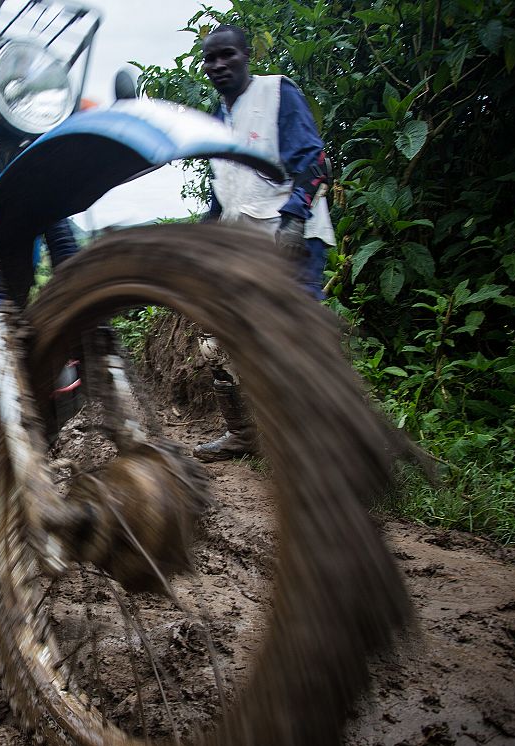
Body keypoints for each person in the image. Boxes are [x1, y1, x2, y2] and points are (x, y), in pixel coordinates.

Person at [193, 23, 335, 462]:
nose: (218, 65)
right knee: (217, 339)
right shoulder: (218, 118)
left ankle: (325, 445)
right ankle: (242, 433)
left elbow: (314, 160)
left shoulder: (277, 94)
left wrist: (293, 221)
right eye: (210, 58)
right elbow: (225, 189)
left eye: (227, 55)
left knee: (298, 340)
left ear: (246, 54)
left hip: (293, 242)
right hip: (247, 248)